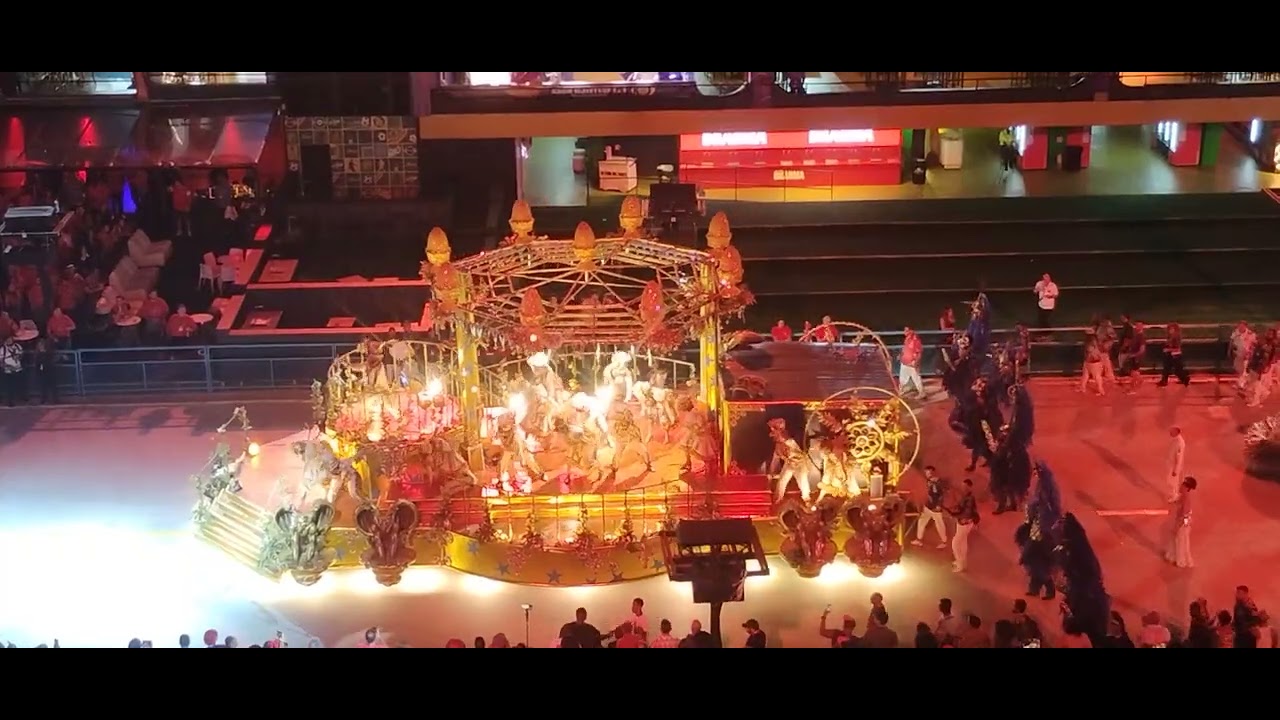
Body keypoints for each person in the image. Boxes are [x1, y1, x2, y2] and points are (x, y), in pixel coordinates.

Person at [911, 465, 949, 549]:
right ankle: (919, 539)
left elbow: (939, 495)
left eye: (928, 473)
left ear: (932, 473)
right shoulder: (930, 481)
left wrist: (938, 505)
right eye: (926, 473)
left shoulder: (935, 483)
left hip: (934, 508)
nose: (927, 474)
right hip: (928, 506)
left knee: (939, 524)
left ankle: (944, 541)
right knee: (922, 521)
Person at [948, 478, 980, 573]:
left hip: (964, 522)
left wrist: (957, 516)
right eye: (962, 486)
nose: (963, 488)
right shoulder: (966, 496)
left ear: (970, 487)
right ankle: (963, 562)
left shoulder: (969, 498)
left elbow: (967, 511)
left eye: (965, 486)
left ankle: (960, 563)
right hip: (965, 522)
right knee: (963, 541)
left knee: (955, 543)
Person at [1164, 476, 1195, 569]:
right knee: (1178, 540)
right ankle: (1174, 557)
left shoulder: (1186, 499)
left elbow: (1185, 515)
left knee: (1181, 541)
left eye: (1183, 485)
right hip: (1182, 521)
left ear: (1186, 488)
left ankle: (1181, 562)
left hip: (1183, 523)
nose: (1180, 486)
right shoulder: (1183, 497)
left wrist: (1180, 526)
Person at [1158, 322, 1190, 387]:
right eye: (1169, 329)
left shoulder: (1176, 337)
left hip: (1175, 355)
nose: (1170, 330)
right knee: (1167, 368)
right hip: (1171, 355)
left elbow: (1177, 348)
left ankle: (1184, 379)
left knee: (1176, 370)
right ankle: (1164, 381)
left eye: (1171, 329)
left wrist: (1167, 350)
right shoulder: (1170, 337)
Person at [898, 327, 925, 398]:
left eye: (907, 330)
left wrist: (916, 362)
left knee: (916, 378)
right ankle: (901, 390)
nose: (905, 332)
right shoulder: (907, 339)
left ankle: (922, 393)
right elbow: (905, 349)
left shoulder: (916, 341)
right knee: (902, 378)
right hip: (905, 362)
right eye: (904, 330)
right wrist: (900, 356)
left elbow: (919, 353)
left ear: (911, 331)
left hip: (912, 363)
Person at [1230, 321, 1257, 391]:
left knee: (1244, 370)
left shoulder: (1250, 334)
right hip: (1238, 354)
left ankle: (1241, 385)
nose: (1240, 327)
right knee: (1239, 369)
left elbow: (1254, 344)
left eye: (1242, 326)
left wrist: (1251, 353)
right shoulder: (1235, 333)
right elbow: (1232, 342)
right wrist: (1231, 351)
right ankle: (1242, 383)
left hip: (1247, 355)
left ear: (1246, 326)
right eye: (1239, 326)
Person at [1079, 331, 1106, 396]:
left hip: (1094, 362)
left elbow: (1090, 350)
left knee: (1097, 376)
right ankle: (1082, 388)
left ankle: (1101, 390)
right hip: (1089, 362)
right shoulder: (1094, 342)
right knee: (1085, 375)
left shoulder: (1092, 342)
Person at [1, 335, 24, 407]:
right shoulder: (3, 349)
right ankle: (10, 401)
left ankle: (20, 398)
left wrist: (18, 357)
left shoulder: (18, 346)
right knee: (9, 386)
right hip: (8, 371)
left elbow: (22, 355)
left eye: (10, 339)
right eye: (8, 339)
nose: (9, 341)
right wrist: (8, 366)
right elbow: (1, 361)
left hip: (18, 369)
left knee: (18, 385)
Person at [1165, 427, 1185, 502]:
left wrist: (1175, 470)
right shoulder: (1175, 440)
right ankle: (1174, 495)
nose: (1170, 432)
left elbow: (1179, 458)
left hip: (1174, 466)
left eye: (1172, 431)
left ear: (1176, 432)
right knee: (1171, 481)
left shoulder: (1179, 443)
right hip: (1171, 465)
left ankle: (1174, 496)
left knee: (1172, 482)